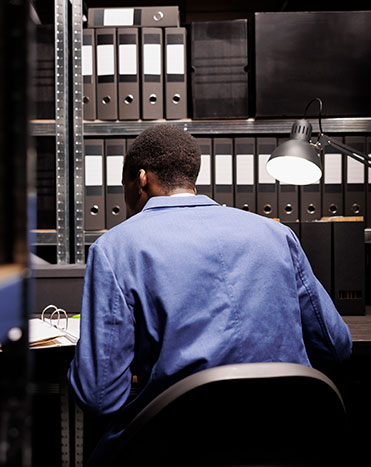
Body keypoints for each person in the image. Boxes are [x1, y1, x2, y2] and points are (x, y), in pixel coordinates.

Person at [68, 124, 352, 465]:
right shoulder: (277, 235)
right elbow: (336, 348)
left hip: (172, 445)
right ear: (192, 179)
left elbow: (99, 397)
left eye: (125, 184)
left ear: (141, 179)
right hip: (287, 440)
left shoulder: (115, 248)